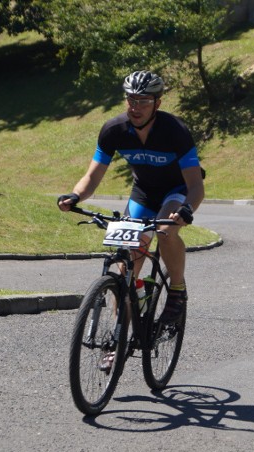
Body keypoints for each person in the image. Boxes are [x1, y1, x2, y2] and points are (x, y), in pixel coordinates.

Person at [58, 70, 205, 328]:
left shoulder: (174, 130)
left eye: (143, 101)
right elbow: (92, 177)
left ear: (157, 103)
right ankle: (117, 338)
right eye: (130, 99)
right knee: (125, 270)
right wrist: (75, 195)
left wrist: (186, 209)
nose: (135, 107)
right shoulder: (114, 130)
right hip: (143, 193)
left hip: (176, 190)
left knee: (165, 230)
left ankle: (177, 292)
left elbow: (196, 185)